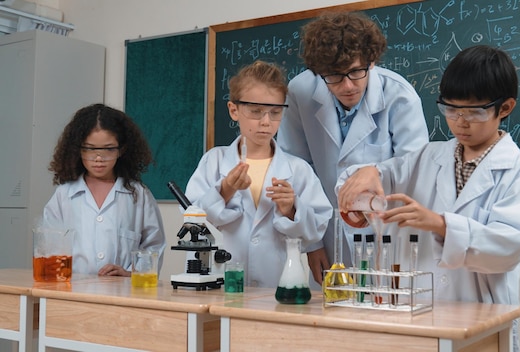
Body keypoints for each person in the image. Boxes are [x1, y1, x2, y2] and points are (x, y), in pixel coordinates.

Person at [337, 45, 520, 351]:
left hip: (480, 319)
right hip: (419, 314)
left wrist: (439, 224)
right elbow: (361, 185)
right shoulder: (427, 156)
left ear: (505, 107)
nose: (460, 122)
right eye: (451, 109)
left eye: (474, 111)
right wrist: (367, 176)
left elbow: (508, 247)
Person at [277, 11, 429, 285]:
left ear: (371, 61)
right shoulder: (300, 92)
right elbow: (296, 169)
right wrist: (311, 243)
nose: (347, 85)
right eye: (334, 76)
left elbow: (418, 171)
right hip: (326, 236)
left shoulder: (400, 97)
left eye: (356, 72)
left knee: (384, 319)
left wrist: (377, 172)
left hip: (385, 238)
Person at [185, 60, 333, 289]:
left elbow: (315, 230)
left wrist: (291, 209)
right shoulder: (213, 162)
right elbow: (192, 222)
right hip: (220, 284)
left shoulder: (298, 169)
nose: (266, 122)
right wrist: (224, 190)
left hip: (278, 287)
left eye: (275, 112)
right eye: (255, 111)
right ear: (234, 110)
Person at [43, 103, 166, 277]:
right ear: (78, 149)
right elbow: (49, 246)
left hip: (121, 294)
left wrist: (132, 274)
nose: (99, 158)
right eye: (90, 149)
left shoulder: (139, 195)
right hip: (73, 293)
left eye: (108, 149)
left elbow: (154, 246)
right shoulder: (64, 195)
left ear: (121, 150)